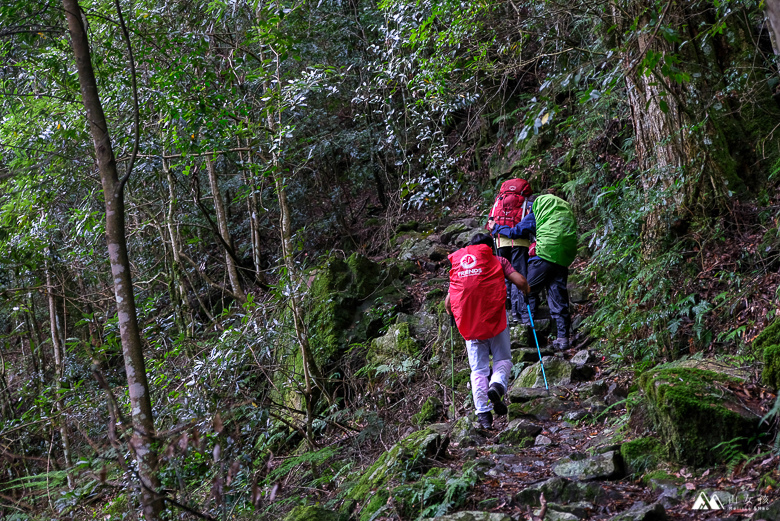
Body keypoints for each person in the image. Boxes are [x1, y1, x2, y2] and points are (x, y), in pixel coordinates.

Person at [444, 233, 530, 430]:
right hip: (496, 320)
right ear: (490, 248)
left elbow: (449, 302)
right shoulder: (499, 260)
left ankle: (483, 414)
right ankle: (497, 385)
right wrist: (527, 291)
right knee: (503, 359)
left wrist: (453, 312)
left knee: (479, 370)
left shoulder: (461, 265)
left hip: (471, 324)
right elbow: (521, 282)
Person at [489, 193, 578, 351]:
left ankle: (525, 327)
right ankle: (563, 338)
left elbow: (515, 232)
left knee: (523, 286)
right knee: (557, 295)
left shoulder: (535, 212)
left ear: (530, 206)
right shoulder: (556, 212)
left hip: (544, 255)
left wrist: (496, 228)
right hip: (562, 256)